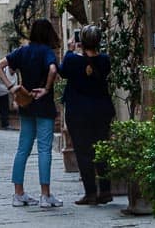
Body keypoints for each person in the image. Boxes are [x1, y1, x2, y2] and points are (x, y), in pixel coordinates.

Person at [0, 18, 63, 209]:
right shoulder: (46, 52)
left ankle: (18, 193)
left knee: (23, 149)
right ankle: (45, 194)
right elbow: (52, 69)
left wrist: (11, 87)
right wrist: (47, 88)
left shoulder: (22, 51)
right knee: (44, 150)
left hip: (26, 104)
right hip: (43, 104)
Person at [60, 25, 116, 206]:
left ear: (81, 42)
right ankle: (106, 190)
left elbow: (62, 72)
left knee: (84, 151)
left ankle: (91, 192)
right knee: (101, 148)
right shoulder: (105, 60)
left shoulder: (71, 60)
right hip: (101, 110)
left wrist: (69, 50)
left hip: (78, 112)